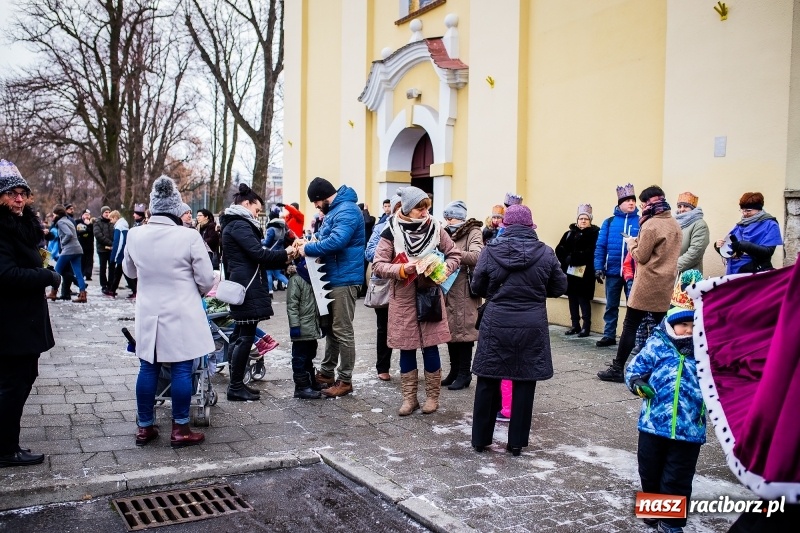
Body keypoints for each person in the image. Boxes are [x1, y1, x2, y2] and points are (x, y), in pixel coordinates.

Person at [123, 176, 213, 448]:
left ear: (152, 208)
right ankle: (180, 428)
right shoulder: (189, 236)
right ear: (176, 208)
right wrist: (194, 291)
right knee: (182, 368)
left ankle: (144, 426)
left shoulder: (135, 234)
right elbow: (206, 279)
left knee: (148, 367)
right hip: (182, 310)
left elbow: (129, 272)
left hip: (148, 310)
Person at [470, 204, 567, 456]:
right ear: (531, 226)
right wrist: (534, 294)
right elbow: (559, 287)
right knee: (525, 380)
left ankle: (480, 439)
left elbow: (477, 286)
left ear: (505, 225)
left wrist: (498, 295)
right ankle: (516, 443)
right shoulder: (545, 252)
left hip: (496, 321)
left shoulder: (490, 251)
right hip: (531, 322)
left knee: (488, 378)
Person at [625, 270, 705, 533]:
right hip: (653, 423)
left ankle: (671, 522)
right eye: (684, 324)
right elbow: (634, 369)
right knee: (649, 469)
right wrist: (638, 383)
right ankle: (654, 507)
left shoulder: (706, 352)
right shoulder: (657, 344)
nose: (689, 330)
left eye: (694, 325)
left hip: (688, 428)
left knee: (677, 476)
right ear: (672, 322)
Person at [372, 186, 461, 415]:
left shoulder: (436, 228)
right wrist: (402, 269)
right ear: (407, 209)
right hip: (402, 299)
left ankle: (432, 398)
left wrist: (444, 268)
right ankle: (409, 399)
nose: (424, 213)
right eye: (419, 209)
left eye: (426, 207)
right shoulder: (391, 230)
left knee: (430, 347)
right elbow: (378, 265)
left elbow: (454, 255)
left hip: (430, 295)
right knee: (407, 348)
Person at [0, 159, 60, 467]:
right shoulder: (2, 229)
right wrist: (47, 276)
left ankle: (7, 443)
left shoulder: (22, 225)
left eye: (22, 193)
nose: (19, 199)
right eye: (11, 194)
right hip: (12, 322)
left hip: (24, 319)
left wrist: (42, 263)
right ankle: (5, 448)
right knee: (14, 383)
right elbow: (6, 274)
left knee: (23, 378)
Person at [598, 186, 682, 382]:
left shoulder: (651, 224)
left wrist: (632, 243)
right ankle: (664, 370)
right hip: (666, 282)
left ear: (648, 203)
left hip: (647, 282)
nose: (641, 207)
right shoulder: (674, 223)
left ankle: (617, 369)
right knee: (663, 329)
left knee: (630, 325)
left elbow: (641, 256)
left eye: (643, 203)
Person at [295, 177, 365, 398]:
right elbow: (326, 237)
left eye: (316, 202)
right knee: (333, 329)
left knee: (342, 330)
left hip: (345, 278)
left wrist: (308, 249)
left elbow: (337, 241)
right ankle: (327, 373)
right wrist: (310, 240)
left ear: (323, 197)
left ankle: (345, 380)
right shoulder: (336, 210)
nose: (316, 206)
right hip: (334, 276)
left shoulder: (347, 210)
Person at [220, 183, 291, 401]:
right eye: (256, 209)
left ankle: (237, 383)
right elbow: (259, 254)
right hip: (246, 286)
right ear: (246, 203)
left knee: (239, 335)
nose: (257, 214)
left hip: (243, 283)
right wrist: (286, 253)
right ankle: (235, 386)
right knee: (245, 337)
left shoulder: (234, 224)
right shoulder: (240, 225)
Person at [441, 200, 483, 390]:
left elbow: (477, 256)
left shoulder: (473, 231)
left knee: (464, 331)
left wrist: (452, 253)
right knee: (450, 330)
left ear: (459, 218)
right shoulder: (445, 232)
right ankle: (454, 371)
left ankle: (465, 373)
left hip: (465, 289)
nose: (447, 221)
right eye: (446, 218)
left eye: (450, 218)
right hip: (447, 287)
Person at [593, 183, 640, 347]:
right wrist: (598, 267)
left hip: (633, 273)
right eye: (627, 200)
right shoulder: (609, 222)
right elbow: (601, 246)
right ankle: (609, 335)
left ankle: (631, 338)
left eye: (633, 200)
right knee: (611, 305)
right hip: (613, 271)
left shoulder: (641, 221)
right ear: (620, 203)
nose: (631, 203)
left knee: (633, 307)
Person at [364, 194, 402, 381]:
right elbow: (369, 252)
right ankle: (383, 367)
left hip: (407, 283)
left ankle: (408, 368)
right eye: (398, 207)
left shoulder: (418, 226)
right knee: (384, 327)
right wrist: (389, 256)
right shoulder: (381, 227)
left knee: (407, 326)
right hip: (385, 282)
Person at [555, 204, 600, 337]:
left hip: (585, 273)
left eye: (586, 219)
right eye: (581, 218)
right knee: (572, 298)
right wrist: (566, 258)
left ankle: (586, 327)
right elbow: (559, 248)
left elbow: (591, 252)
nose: (583, 221)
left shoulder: (594, 234)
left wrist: (574, 257)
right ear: (577, 220)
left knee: (583, 299)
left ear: (590, 220)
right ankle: (575, 325)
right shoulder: (569, 233)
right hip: (570, 272)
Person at [714, 192, 782, 274]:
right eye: (743, 210)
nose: (745, 213)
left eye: (748, 211)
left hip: (755, 270)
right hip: (734, 270)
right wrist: (719, 247)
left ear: (759, 209)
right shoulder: (741, 224)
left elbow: (768, 252)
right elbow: (730, 250)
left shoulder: (771, 224)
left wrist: (743, 245)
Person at [286, 258, 325, 400]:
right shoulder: (296, 280)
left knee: (310, 355)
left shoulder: (314, 280)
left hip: (312, 327)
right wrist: (294, 326)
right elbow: (292, 305)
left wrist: (322, 324)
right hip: (301, 328)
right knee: (300, 358)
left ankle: (310, 382)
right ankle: (301, 387)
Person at [49, 204, 88, 303]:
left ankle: (53, 292)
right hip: (77, 249)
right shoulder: (68, 220)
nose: (53, 216)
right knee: (78, 273)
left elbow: (69, 234)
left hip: (69, 249)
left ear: (57, 214)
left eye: (54, 214)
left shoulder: (60, 222)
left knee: (56, 271)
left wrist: (63, 242)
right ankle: (83, 294)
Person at [674, 192, 709, 274]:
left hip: (689, 274)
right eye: (679, 206)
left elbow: (695, 252)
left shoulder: (700, 225)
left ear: (693, 208)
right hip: (672, 274)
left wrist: (673, 267)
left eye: (686, 206)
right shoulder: (675, 223)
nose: (682, 209)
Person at [104, 210, 133, 298]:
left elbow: (117, 242)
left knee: (120, 272)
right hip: (124, 252)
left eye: (111, 219)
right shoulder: (125, 226)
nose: (111, 221)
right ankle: (113, 290)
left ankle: (133, 289)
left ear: (115, 218)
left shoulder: (118, 227)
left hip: (120, 253)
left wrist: (114, 256)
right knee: (119, 272)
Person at [263, 207, 291, 293]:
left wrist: (260, 241)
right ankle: (291, 286)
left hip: (271, 254)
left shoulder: (271, 229)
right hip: (280, 253)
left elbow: (267, 243)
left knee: (268, 273)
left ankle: (270, 291)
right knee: (278, 274)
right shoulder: (282, 228)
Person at [94, 206, 115, 292]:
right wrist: (110, 243)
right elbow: (98, 235)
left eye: (109, 212)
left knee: (112, 267)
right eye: (106, 212)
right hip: (102, 249)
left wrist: (114, 243)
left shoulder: (112, 222)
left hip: (112, 249)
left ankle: (111, 284)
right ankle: (103, 285)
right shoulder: (97, 222)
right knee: (103, 268)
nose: (107, 214)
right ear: (102, 213)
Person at [358, 203, 376, 298]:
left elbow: (368, 222)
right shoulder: (358, 221)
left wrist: (365, 210)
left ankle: (364, 289)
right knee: (360, 269)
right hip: (359, 248)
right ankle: (361, 290)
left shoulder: (371, 219)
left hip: (367, 249)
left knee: (365, 270)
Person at [76, 211, 94, 281]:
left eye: (88, 215)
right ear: (82, 215)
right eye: (85, 214)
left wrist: (89, 225)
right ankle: (82, 274)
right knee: (82, 260)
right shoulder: (78, 222)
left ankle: (88, 274)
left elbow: (93, 232)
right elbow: (78, 232)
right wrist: (86, 229)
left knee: (89, 260)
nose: (87, 216)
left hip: (89, 245)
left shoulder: (91, 223)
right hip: (81, 244)